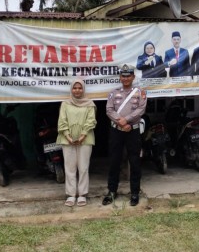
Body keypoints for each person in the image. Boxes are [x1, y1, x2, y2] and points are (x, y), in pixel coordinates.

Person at [103, 64, 147, 206]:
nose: (126, 78)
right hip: (116, 131)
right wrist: (121, 122)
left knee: (134, 162)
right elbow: (109, 110)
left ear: (133, 77)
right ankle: (111, 191)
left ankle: (134, 192)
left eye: (128, 76)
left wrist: (126, 120)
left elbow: (141, 109)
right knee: (114, 161)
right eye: (123, 76)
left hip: (132, 130)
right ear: (120, 77)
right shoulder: (113, 92)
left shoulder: (140, 92)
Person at [56, 78, 97, 207]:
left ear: (83, 89)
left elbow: (91, 121)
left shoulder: (90, 104)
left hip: (86, 139)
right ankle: (71, 194)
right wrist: (68, 136)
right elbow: (62, 121)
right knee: (69, 168)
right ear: (71, 89)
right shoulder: (65, 103)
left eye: (80, 88)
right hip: (67, 140)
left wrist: (83, 135)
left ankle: (82, 194)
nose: (77, 90)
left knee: (83, 167)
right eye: (75, 88)